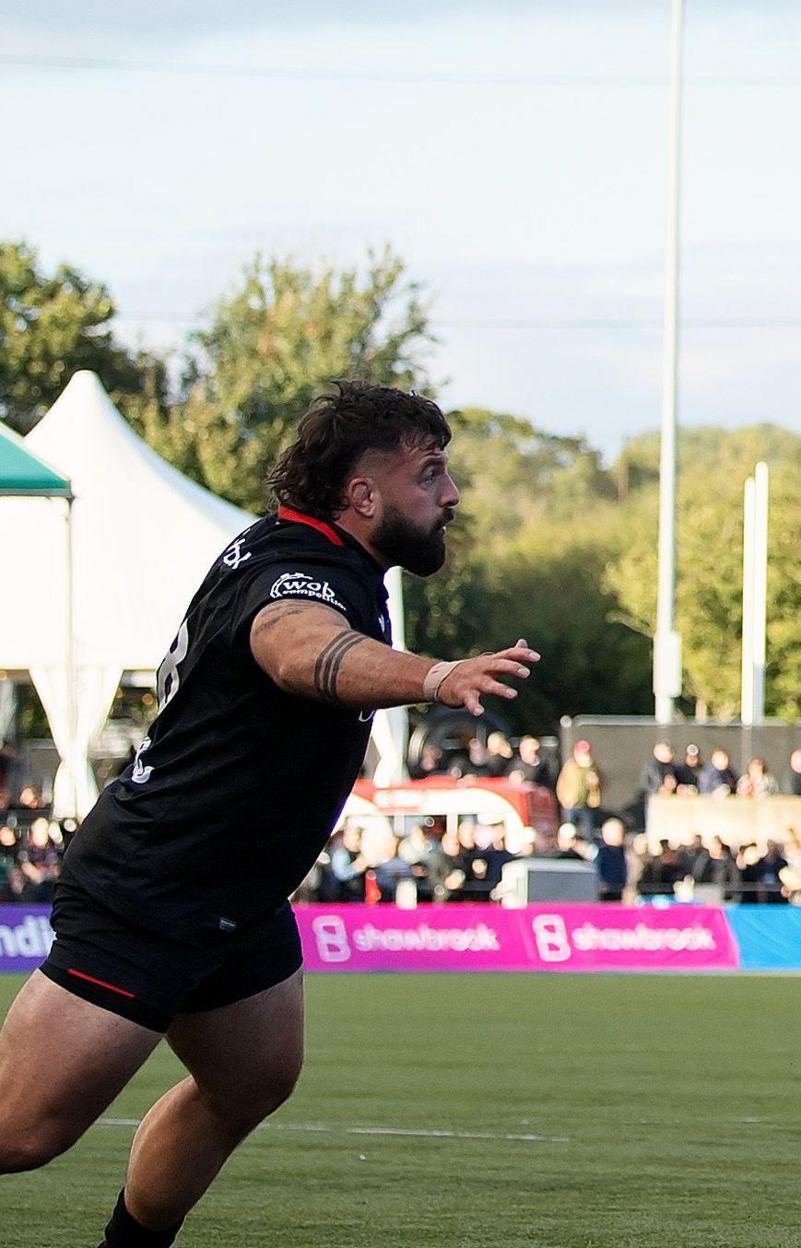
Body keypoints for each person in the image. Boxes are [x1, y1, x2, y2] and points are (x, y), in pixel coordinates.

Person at [0, 380, 538, 1248]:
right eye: (430, 474)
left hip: (234, 897)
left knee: (251, 1079)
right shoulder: (305, 571)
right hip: (153, 888)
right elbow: (296, 647)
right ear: (362, 496)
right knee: (20, 1134)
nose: (451, 494)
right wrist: (435, 676)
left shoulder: (322, 557)